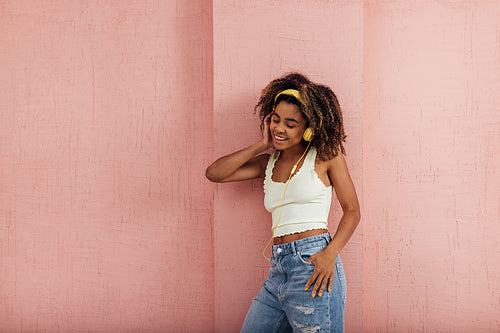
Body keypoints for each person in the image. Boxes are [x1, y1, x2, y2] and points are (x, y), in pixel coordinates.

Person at [205, 73, 360, 333]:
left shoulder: (325, 157)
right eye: (276, 120)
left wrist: (329, 255)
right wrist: (261, 144)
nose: (280, 128)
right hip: (279, 269)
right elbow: (215, 173)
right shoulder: (269, 164)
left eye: (290, 124)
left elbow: (352, 211)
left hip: (312, 264)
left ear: (308, 128)